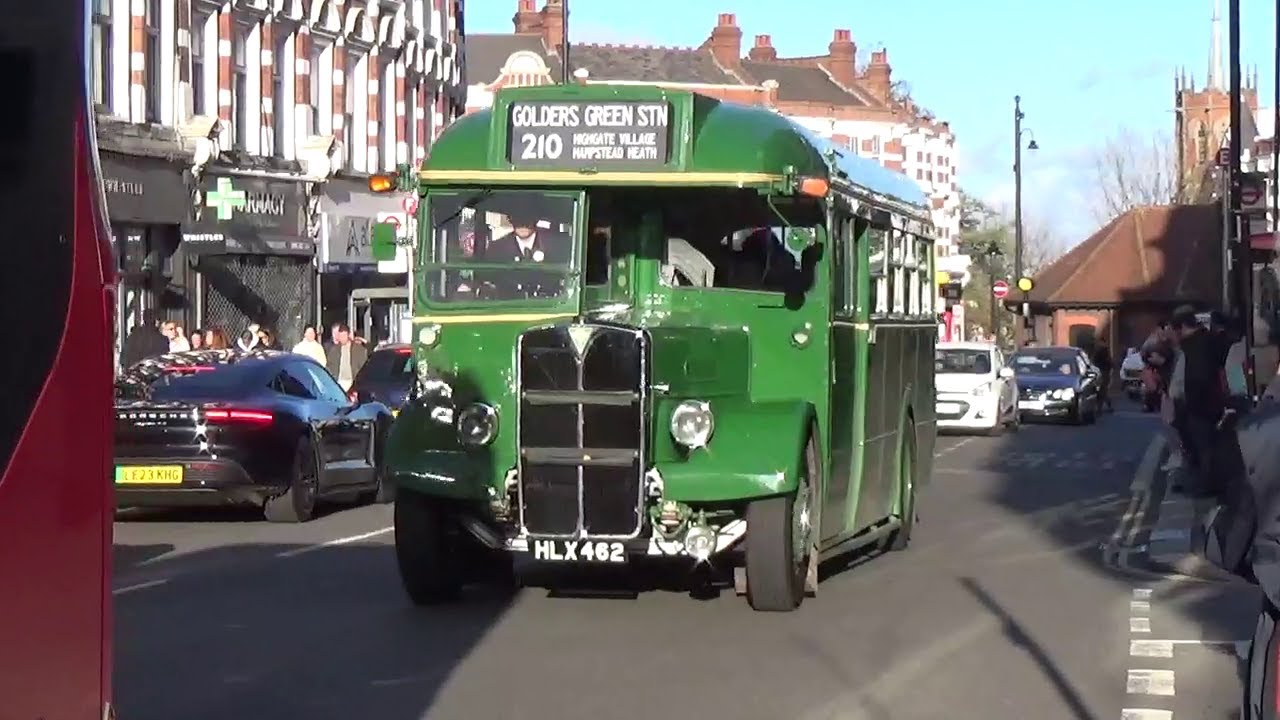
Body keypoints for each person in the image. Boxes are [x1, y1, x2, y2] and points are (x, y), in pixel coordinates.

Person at [1169, 306, 1233, 498]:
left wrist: (1190, 402)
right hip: (1208, 403)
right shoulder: (1207, 340)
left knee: (1204, 447)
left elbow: (1198, 377)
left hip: (1200, 404)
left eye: (1174, 330)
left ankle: (1207, 487)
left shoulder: (1194, 346)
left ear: (1181, 327)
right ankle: (1204, 484)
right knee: (1204, 446)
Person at [325, 323, 367, 392]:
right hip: (339, 381)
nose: (342, 338)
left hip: (352, 382)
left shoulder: (359, 350)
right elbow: (329, 366)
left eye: (344, 336)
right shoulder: (334, 350)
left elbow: (363, 367)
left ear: (348, 335)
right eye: (340, 336)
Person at [1091, 341, 1114, 412]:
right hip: (1104, 373)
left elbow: (1093, 362)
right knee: (1103, 391)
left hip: (1100, 373)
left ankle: (1100, 408)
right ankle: (1103, 407)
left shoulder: (1097, 352)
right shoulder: (1105, 353)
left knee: (1102, 391)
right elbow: (1111, 364)